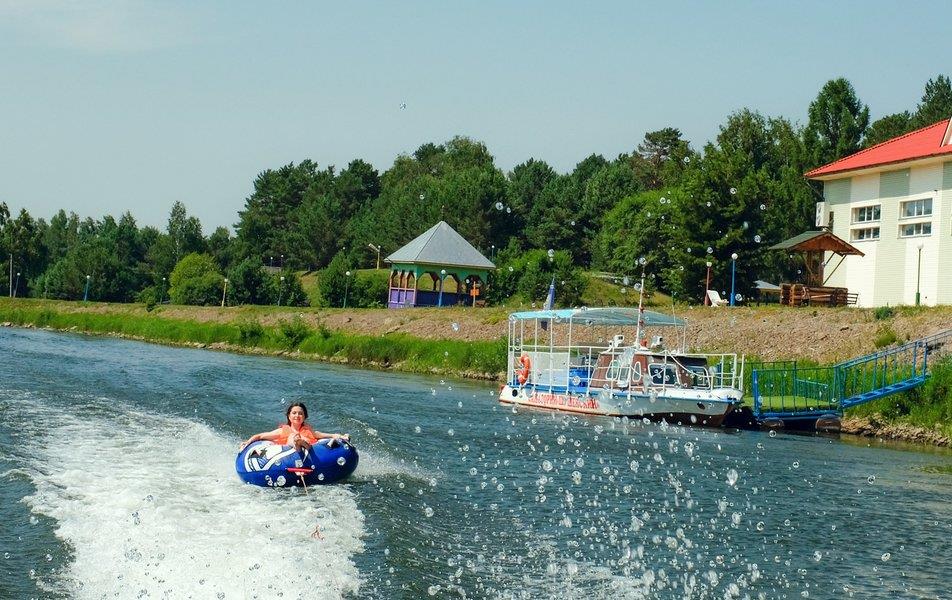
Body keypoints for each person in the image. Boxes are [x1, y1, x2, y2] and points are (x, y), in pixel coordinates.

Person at [240, 402, 349, 451]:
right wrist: (248, 442)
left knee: (305, 438)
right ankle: (298, 443)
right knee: (293, 436)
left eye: (300, 413)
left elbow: (320, 435)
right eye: (294, 413)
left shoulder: (308, 429)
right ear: (289, 416)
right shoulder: (283, 430)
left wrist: (338, 436)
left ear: (304, 417)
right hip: (291, 451)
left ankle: (303, 443)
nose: (297, 415)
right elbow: (260, 436)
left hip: (310, 451)